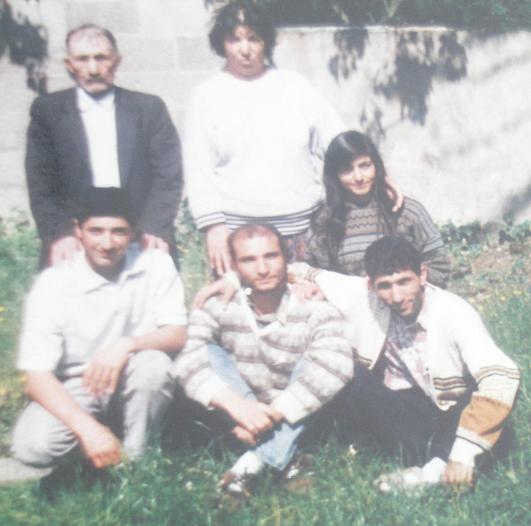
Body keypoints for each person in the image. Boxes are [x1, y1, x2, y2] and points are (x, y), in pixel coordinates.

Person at [291, 236, 519, 493]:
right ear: (370, 284)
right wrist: (301, 286)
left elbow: (503, 376)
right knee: (344, 367)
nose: (397, 296)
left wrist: (463, 454)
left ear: (422, 275)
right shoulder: (362, 294)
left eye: (404, 281)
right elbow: (294, 269)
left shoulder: (455, 313)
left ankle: (432, 472)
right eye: (385, 286)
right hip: (402, 415)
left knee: (485, 390)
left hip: (450, 415)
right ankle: (433, 466)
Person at [3, 188, 187, 483]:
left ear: (133, 232)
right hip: (79, 384)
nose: (107, 243)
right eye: (96, 231)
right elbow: (37, 377)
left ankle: (137, 458)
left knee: (154, 364)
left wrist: (126, 345)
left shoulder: (156, 264)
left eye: (118, 232)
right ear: (78, 230)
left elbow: (177, 333)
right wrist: (87, 429)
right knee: (33, 446)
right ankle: (99, 444)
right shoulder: (54, 283)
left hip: (133, 374)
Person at [174, 223, 353, 497]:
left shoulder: (315, 308)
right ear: (234, 267)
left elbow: (337, 366)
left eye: (271, 256)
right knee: (206, 351)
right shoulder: (217, 306)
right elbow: (188, 359)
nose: (263, 269)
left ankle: (249, 466)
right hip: (238, 410)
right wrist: (239, 408)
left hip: (295, 412)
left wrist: (272, 414)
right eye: (249, 260)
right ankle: (289, 458)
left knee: (320, 363)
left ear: (286, 259)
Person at [183, 1, 346, 274]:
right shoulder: (206, 96)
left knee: (308, 300)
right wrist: (213, 226)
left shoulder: (296, 88)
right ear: (222, 43)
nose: (245, 49)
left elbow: (339, 143)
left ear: (266, 42)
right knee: (242, 302)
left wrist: (377, 174)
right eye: (234, 40)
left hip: (303, 233)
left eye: (253, 38)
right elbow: (198, 169)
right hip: (240, 238)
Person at [26, 24, 183, 268]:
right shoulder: (49, 112)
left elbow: (169, 175)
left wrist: (154, 227)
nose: (93, 69)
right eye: (82, 59)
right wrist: (61, 233)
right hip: (74, 241)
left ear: (116, 61)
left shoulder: (148, 109)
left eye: (101, 58)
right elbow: (41, 182)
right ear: (69, 64)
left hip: (140, 237)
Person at [306, 131, 451, 287]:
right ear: (335, 175)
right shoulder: (324, 222)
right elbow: (315, 276)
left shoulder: (408, 212)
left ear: (376, 165)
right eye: (347, 169)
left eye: (365, 166)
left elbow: (440, 267)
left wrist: (405, 281)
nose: (358, 177)